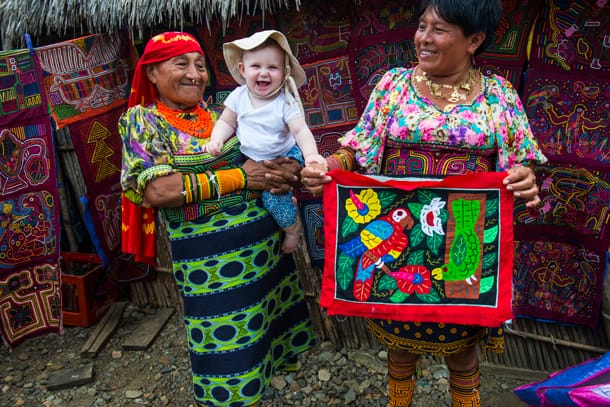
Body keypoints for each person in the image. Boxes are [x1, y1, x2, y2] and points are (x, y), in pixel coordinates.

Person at [300, 1, 548, 406]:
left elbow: (520, 168)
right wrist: (327, 166)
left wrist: (524, 178)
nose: (423, 38)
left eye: (439, 29)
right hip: (403, 236)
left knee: (462, 345)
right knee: (400, 340)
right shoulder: (393, 85)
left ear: (474, 40)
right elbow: (359, 151)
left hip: (464, 235)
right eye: (422, 26)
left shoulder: (499, 97)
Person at [119, 31, 315, 407]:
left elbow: (269, 151)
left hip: (264, 249)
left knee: (264, 333)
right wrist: (241, 177)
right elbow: (157, 191)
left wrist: (288, 166)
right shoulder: (143, 121)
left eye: (199, 65)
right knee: (225, 345)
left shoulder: (219, 112)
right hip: (211, 263)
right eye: (181, 64)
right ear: (152, 74)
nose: (195, 74)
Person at [205, 30, 326, 253]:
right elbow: (226, 122)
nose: (264, 73)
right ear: (242, 70)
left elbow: (300, 131)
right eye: (256, 67)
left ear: (284, 73)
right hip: (251, 158)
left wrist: (310, 156)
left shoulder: (284, 102)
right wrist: (216, 139)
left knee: (275, 200)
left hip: (283, 157)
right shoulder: (238, 96)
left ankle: (292, 229)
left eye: (272, 68)